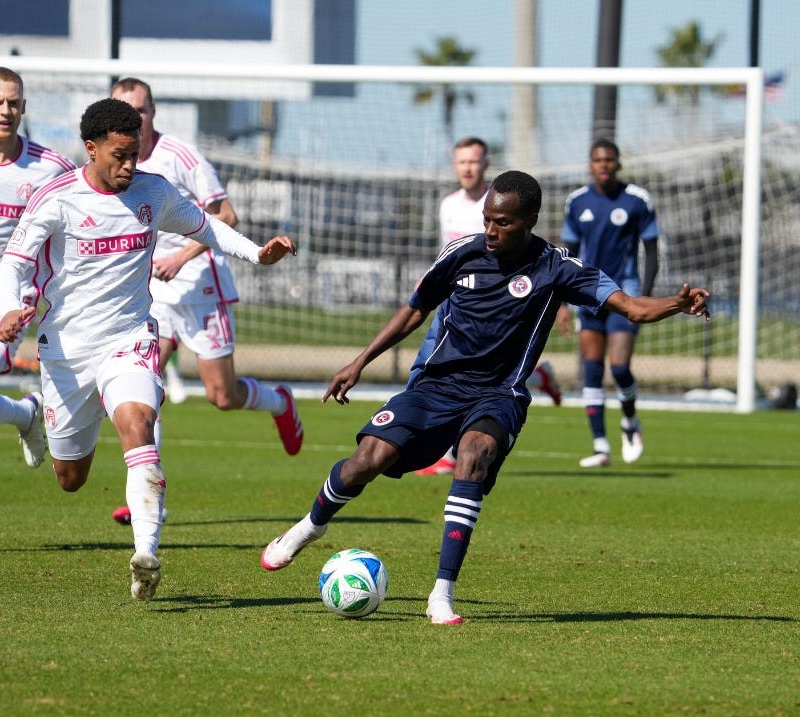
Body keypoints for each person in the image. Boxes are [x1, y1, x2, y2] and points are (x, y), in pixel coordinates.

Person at [260, 170, 709, 624]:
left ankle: (441, 594)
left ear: (531, 219)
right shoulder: (462, 254)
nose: (491, 231)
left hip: (499, 394)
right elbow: (415, 309)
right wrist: (359, 362)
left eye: (504, 222)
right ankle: (308, 528)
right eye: (487, 219)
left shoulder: (558, 268)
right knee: (366, 461)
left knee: (475, 454)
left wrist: (676, 302)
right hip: (435, 386)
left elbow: (631, 307)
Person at [0, 98, 296, 599]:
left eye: (135, 154)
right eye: (119, 155)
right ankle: (34, 415)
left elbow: (207, 227)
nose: (131, 166)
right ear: (91, 149)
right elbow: (13, 265)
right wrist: (9, 308)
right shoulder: (56, 198)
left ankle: (146, 554)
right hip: (66, 351)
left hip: (129, 337)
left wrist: (256, 253)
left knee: (139, 423)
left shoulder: (153, 193)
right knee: (70, 477)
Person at [109, 79, 302, 453]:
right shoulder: (112, 162)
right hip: (154, 292)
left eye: (140, 110)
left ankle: (280, 400)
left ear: (153, 112)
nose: (133, 118)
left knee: (222, 395)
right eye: (123, 111)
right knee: (143, 385)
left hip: (199, 284)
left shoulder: (181, 156)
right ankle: (148, 494)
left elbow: (227, 217)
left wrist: (180, 257)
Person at [413, 136, 561, 476]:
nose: (468, 167)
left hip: (500, 301)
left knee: (491, 371)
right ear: (455, 165)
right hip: (455, 297)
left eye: (474, 161)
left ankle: (447, 453)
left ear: (485, 165)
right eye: (462, 161)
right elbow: (447, 252)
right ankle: (426, 440)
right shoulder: (447, 204)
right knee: (427, 363)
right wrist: (429, 279)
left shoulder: (501, 202)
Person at [0, 67, 75, 468]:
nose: (5, 110)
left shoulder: (50, 169)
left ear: (23, 108)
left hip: (9, 306)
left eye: (13, 103)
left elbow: (91, 207)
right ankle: (26, 413)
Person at [558, 139, 659, 468]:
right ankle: (601, 446)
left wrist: (643, 296)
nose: (603, 165)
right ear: (590, 164)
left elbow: (652, 252)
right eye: (597, 160)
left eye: (609, 160)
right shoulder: (577, 202)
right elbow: (567, 257)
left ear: (617, 163)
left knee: (618, 368)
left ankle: (630, 420)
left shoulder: (637, 200)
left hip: (624, 294)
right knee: (591, 369)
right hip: (586, 295)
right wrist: (561, 302)